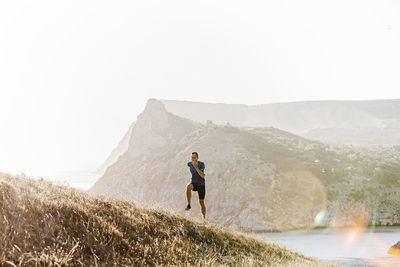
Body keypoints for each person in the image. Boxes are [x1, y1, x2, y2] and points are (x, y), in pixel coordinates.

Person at [185, 152, 206, 219]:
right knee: (188, 187)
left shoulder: (202, 164)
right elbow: (188, 164)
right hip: (194, 183)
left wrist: (196, 167)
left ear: (197, 158)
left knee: (201, 202)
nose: (193, 159)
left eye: (194, 157)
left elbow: (203, 176)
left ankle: (204, 218)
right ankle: (189, 204)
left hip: (201, 185)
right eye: (192, 157)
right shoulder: (189, 164)